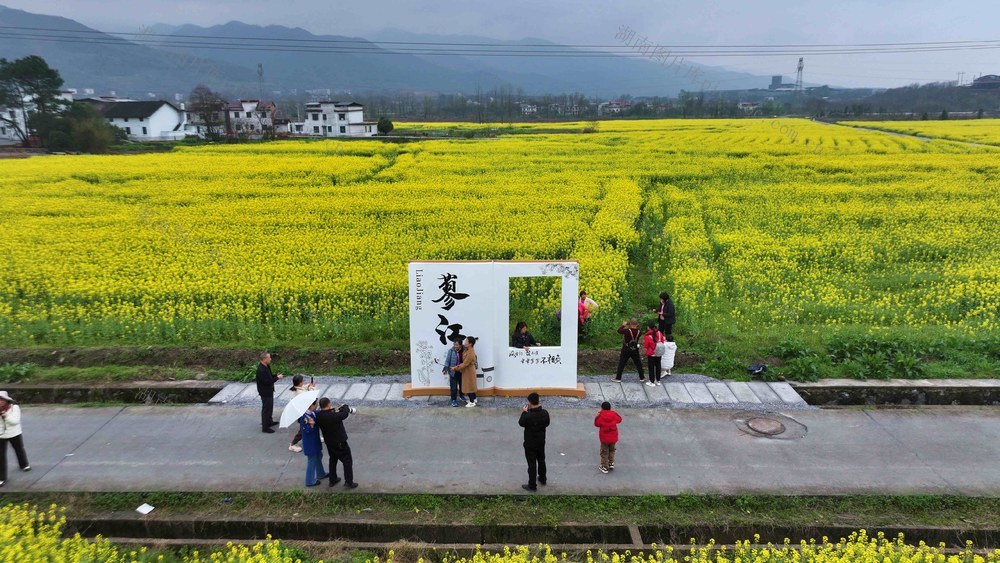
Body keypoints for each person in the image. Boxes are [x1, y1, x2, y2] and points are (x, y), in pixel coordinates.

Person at [315, 397, 359, 489]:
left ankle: (333, 479)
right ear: (328, 404)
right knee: (347, 461)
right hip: (339, 442)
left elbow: (330, 413)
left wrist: (335, 410)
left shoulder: (319, 416)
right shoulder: (333, 416)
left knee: (333, 459)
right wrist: (345, 406)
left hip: (329, 442)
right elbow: (344, 414)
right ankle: (349, 482)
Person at [519, 392, 550, 492]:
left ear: (530, 402)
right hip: (541, 441)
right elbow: (547, 423)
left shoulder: (528, 416)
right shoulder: (545, 413)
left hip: (530, 443)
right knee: (541, 460)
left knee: (532, 463)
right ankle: (542, 478)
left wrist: (524, 412)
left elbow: (521, 423)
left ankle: (532, 485)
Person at [0, 391, 29, 487]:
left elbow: (15, 421)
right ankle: (2, 478)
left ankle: (24, 465)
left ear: (6, 400)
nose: (0, 402)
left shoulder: (15, 408)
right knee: (1, 456)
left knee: (19, 449)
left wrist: (5, 416)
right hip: (1, 435)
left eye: (1, 400)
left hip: (14, 433)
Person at [298, 399, 327, 487]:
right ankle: (309, 481)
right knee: (312, 460)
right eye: (316, 404)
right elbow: (306, 430)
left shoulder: (311, 413)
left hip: (315, 440)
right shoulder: (305, 417)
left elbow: (317, 412)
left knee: (319, 456)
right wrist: (311, 425)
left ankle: (320, 473)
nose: (317, 406)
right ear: (311, 405)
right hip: (310, 443)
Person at [256, 352, 284, 433]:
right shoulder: (261, 370)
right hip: (265, 392)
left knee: (270, 407)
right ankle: (265, 427)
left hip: (269, 390)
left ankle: (269, 421)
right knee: (266, 409)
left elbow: (269, 376)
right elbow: (267, 381)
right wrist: (277, 378)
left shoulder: (267, 366)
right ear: (264, 359)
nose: (270, 359)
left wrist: (276, 375)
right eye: (269, 357)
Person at [288, 375, 315, 452]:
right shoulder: (300, 392)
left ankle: (315, 436)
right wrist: (312, 388)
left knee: (313, 424)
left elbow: (304, 388)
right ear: (300, 383)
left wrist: (309, 386)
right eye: (303, 381)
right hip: (303, 413)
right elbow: (308, 396)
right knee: (303, 430)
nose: (304, 382)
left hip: (304, 411)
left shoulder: (296, 388)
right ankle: (292, 444)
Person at [594, 401, 622, 474]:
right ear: (610, 408)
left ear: (602, 408)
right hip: (613, 437)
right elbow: (619, 419)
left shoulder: (601, 415)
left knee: (604, 452)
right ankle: (611, 463)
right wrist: (614, 413)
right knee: (612, 450)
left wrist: (597, 415)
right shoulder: (613, 414)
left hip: (604, 438)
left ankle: (604, 467)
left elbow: (596, 424)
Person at [452, 336, 479, 407]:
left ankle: (472, 402)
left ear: (470, 344)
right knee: (470, 385)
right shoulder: (468, 349)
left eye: (466, 341)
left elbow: (465, 363)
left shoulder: (470, 352)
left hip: (469, 371)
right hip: (467, 370)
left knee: (469, 385)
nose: (464, 343)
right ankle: (474, 399)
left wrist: (455, 368)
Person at [442, 339, 467, 407]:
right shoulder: (451, 351)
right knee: (453, 387)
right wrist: (445, 369)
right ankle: (453, 400)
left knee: (462, 385)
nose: (455, 346)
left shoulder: (464, 350)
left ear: (460, 345)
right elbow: (447, 361)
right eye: (454, 344)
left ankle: (461, 395)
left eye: (457, 345)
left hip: (462, 371)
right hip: (453, 372)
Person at [643, 322, 665, 386]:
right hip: (659, 353)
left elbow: (646, 346)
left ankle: (651, 382)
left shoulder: (648, 336)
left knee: (651, 368)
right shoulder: (659, 333)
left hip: (651, 353)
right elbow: (662, 342)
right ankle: (658, 381)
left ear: (649, 327)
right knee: (658, 366)